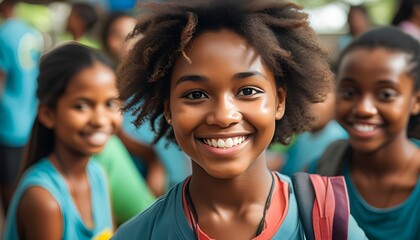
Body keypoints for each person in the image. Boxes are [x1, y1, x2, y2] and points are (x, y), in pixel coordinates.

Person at [112, 0, 367, 239]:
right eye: (196, 94)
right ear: (168, 109)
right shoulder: (141, 233)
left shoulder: (328, 218)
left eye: (248, 91)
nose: (223, 116)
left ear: (279, 101)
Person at [313, 26, 420, 239]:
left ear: (416, 101)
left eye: (385, 94)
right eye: (350, 92)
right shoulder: (319, 176)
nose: (363, 108)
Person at [3, 42, 117, 239]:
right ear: (48, 114)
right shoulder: (44, 201)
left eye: (110, 103)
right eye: (81, 106)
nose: (100, 120)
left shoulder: (98, 175)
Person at [100, 11, 188, 193]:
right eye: (121, 35)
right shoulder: (105, 89)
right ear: (108, 42)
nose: (131, 42)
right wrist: (152, 158)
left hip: (179, 184)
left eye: (137, 34)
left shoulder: (159, 83)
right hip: (137, 186)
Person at [0, 0, 43, 233]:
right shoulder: (30, 33)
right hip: (28, 117)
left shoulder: (3, 33)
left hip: (7, 124)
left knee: (9, 190)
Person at [280, 91, 348, 176]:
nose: (312, 106)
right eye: (308, 99)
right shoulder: (302, 137)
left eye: (320, 99)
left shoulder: (341, 139)